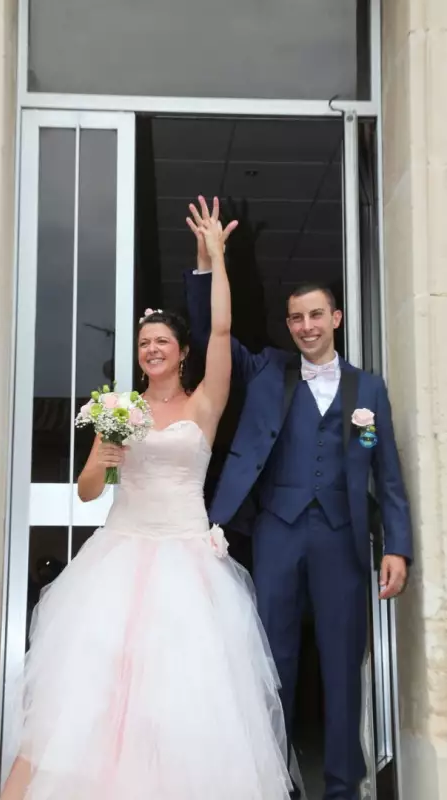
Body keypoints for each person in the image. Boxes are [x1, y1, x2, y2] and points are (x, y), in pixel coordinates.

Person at [0, 209, 293, 800]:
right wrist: (101, 455)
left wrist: (213, 258)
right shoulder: (118, 410)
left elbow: (220, 329)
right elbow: (86, 492)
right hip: (118, 558)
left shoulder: (205, 403)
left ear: (182, 352)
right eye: (143, 344)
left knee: (181, 699)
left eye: (162, 342)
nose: (152, 349)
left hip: (186, 562)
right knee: (93, 694)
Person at [185, 196, 413, 800]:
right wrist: (210, 265)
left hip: (341, 538)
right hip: (278, 535)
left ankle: (342, 787)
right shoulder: (265, 372)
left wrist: (398, 548)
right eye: (295, 319)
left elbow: (387, 473)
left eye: (315, 316)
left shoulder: (369, 390)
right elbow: (214, 332)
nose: (305, 327)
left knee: (342, 670)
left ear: (335, 318)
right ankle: (274, 782)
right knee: (272, 667)